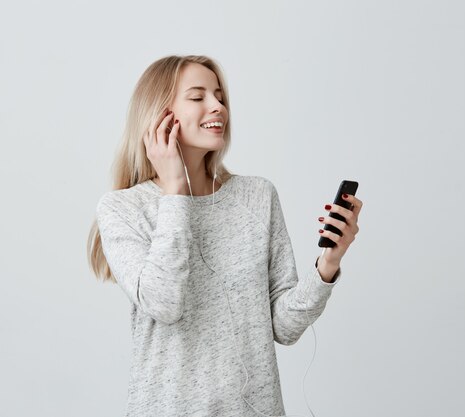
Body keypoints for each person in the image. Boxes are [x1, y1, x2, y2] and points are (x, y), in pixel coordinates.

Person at [86, 54, 362, 417]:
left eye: (219, 96)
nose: (218, 106)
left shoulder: (257, 196)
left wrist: (328, 263)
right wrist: (174, 191)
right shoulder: (123, 208)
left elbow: (282, 326)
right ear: (160, 115)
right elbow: (164, 303)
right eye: (198, 97)